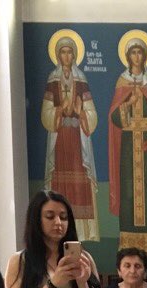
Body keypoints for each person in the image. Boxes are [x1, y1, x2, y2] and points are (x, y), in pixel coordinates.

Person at [107, 36, 147, 255]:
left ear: (145, 56)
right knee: (128, 191)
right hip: (127, 147)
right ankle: (129, 243)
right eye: (133, 53)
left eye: (139, 52)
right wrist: (128, 104)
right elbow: (114, 117)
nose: (136, 56)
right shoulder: (122, 82)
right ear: (128, 56)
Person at [40, 35, 99, 241]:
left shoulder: (81, 79)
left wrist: (81, 112)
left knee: (80, 178)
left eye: (70, 52)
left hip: (77, 137)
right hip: (60, 137)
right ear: (58, 55)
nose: (66, 56)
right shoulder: (53, 79)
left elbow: (91, 112)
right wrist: (59, 110)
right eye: (63, 52)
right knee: (59, 180)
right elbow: (45, 113)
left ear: (74, 55)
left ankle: (82, 231)